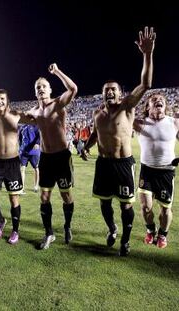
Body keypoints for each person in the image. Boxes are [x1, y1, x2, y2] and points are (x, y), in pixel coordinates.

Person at [82, 26, 156, 256]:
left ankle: (125, 239)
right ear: (102, 94)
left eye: (113, 89)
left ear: (120, 93)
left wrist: (147, 54)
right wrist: (86, 146)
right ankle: (112, 229)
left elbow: (145, 84)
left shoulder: (127, 107)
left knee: (126, 204)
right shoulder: (97, 113)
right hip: (103, 164)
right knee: (104, 203)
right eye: (106, 90)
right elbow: (95, 134)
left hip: (123, 163)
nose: (109, 93)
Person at [26, 63, 78, 249]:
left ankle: (67, 225)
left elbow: (73, 89)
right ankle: (49, 233)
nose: (40, 89)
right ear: (35, 92)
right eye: (37, 87)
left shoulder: (58, 103)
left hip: (62, 157)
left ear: (50, 90)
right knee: (44, 197)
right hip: (46, 158)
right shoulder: (33, 112)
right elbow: (16, 117)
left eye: (43, 86)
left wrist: (56, 72)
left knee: (66, 196)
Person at [0, 89, 35, 244]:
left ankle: (15, 231)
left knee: (14, 198)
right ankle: (1, 220)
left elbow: (36, 121)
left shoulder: (16, 114)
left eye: (2, 98)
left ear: (7, 100)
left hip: (12, 163)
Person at [133, 93, 178, 248]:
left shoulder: (174, 122)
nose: (159, 101)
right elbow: (122, 116)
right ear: (148, 107)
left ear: (165, 105)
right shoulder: (140, 123)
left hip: (166, 172)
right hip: (147, 171)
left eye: (162, 100)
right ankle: (150, 231)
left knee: (165, 209)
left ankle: (162, 235)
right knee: (146, 207)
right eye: (154, 100)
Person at [18, 124, 41, 194]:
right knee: (22, 168)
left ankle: (36, 186)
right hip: (24, 151)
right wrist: (20, 148)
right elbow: (20, 138)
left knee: (36, 168)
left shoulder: (36, 126)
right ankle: (22, 188)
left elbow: (39, 135)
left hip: (34, 152)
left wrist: (37, 143)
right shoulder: (22, 127)